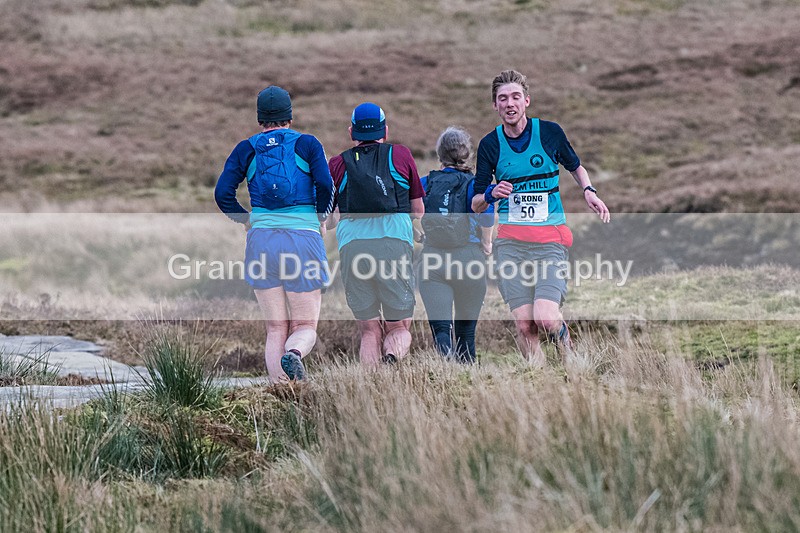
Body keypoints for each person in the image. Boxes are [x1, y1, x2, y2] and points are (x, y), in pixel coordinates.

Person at [471, 70, 611, 367]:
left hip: (549, 242)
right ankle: (539, 377)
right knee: (525, 325)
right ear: (495, 105)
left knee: (545, 318)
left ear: (527, 101)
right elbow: (476, 204)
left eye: (515, 97)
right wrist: (492, 193)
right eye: (503, 98)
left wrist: (588, 191)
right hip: (510, 245)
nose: (510, 103)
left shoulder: (549, 133)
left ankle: (571, 356)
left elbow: (576, 167)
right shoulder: (490, 145)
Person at [215, 85, 334, 382]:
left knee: (275, 328)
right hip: (302, 240)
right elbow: (325, 184)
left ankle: (281, 391)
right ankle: (294, 353)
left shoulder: (246, 148)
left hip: (261, 242)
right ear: (289, 117)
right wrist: (320, 218)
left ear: (260, 120)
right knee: (304, 326)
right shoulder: (307, 144)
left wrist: (245, 220)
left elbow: (222, 193)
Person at [327, 102, 425, 367]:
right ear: (386, 130)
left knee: (369, 330)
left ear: (351, 132)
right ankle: (391, 359)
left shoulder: (337, 164)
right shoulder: (401, 155)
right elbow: (418, 210)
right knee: (399, 327)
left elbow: (330, 220)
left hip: (352, 248)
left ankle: (370, 382)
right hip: (393, 245)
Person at [418, 126, 494, 364]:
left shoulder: (425, 183)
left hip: (432, 259)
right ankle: (467, 376)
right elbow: (487, 216)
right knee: (466, 333)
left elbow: (402, 211)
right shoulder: (475, 185)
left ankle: (445, 369)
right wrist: (487, 243)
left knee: (441, 330)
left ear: (440, 155)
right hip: (469, 259)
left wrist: (418, 235)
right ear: (467, 154)